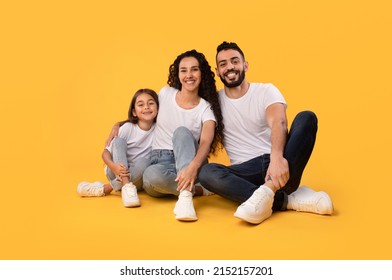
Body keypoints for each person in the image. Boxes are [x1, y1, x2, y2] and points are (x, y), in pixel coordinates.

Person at [198, 41, 334, 224]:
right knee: (207, 172)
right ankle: (287, 199)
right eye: (223, 64)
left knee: (306, 118)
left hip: (279, 164)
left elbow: (278, 122)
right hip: (244, 173)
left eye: (234, 61)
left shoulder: (265, 91)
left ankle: (268, 191)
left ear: (245, 65)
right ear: (217, 71)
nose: (229, 67)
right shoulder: (214, 102)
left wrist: (277, 158)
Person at [107, 49, 224, 221]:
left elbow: (206, 141)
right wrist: (119, 124)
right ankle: (198, 189)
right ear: (178, 74)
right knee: (150, 175)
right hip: (157, 162)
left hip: (188, 160)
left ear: (202, 73)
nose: (189, 75)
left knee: (181, 131)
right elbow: (146, 114)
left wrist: (192, 167)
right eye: (183, 70)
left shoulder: (205, 108)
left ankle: (185, 197)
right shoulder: (165, 94)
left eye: (194, 69)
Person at [77, 88, 159, 208]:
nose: (146, 107)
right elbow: (105, 153)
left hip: (138, 177)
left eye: (151, 103)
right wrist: (113, 167)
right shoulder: (127, 128)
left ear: (158, 108)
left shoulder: (160, 129)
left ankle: (106, 188)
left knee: (145, 161)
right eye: (141, 104)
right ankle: (126, 186)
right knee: (119, 141)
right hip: (115, 171)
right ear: (134, 112)